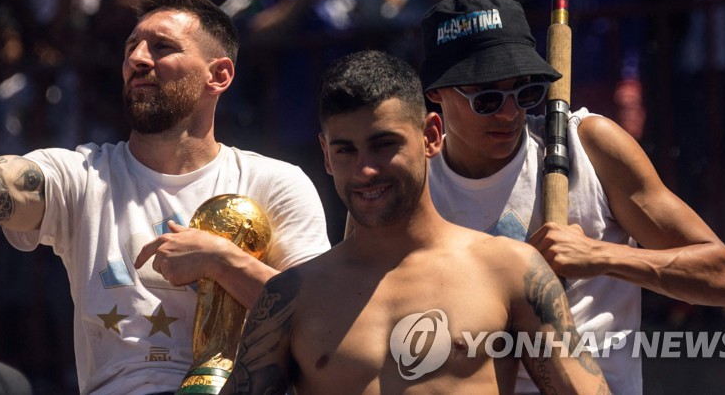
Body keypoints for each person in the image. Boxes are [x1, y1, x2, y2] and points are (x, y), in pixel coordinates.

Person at [0, 0, 331, 395]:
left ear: (218, 75)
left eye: (162, 47)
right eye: (131, 49)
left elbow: (322, 319)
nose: (138, 59)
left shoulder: (274, 182)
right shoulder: (82, 176)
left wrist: (223, 261)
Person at [222, 50, 608, 393]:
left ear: (431, 136)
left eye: (384, 144)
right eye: (345, 151)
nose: (366, 170)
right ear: (325, 155)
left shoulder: (510, 269)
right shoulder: (291, 296)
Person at [419, 0, 725, 395]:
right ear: (437, 92)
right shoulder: (414, 184)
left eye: (525, 92)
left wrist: (602, 256)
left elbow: (723, 277)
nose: (509, 113)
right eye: (486, 98)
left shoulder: (590, 146)